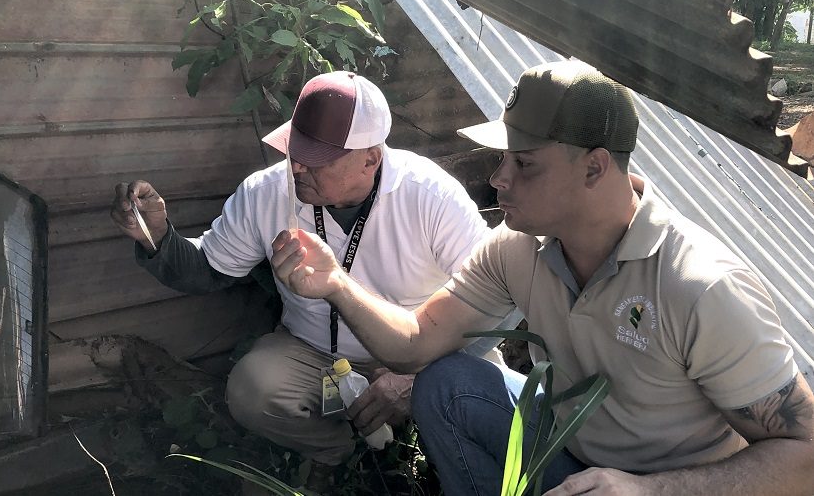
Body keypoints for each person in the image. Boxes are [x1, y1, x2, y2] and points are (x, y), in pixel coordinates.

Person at [270, 60, 814, 495]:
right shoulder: (517, 249)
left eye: (524, 164)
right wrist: (337, 283)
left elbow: (804, 459)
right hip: (566, 452)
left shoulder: (701, 287)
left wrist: (651, 490)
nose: (498, 179)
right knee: (445, 383)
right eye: (503, 158)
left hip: (663, 486)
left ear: (595, 168)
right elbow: (414, 346)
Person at [111, 71, 519, 471]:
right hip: (315, 353)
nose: (298, 169)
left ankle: (427, 456)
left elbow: (498, 297)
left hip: (419, 354)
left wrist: (412, 378)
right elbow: (207, 269)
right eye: (295, 151)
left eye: (317, 160)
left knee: (477, 409)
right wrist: (158, 237)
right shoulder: (266, 192)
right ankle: (342, 456)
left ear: (370, 158)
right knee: (254, 388)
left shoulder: (429, 195)